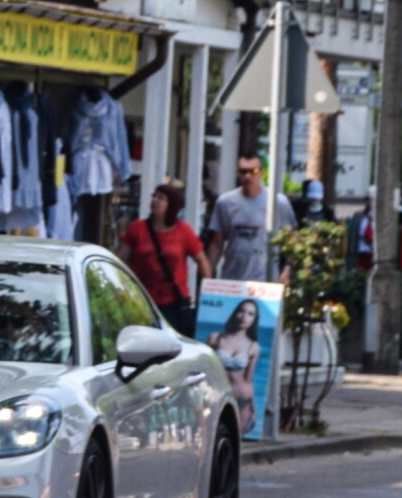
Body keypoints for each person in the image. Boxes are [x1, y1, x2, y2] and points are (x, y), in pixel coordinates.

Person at [117, 183, 208, 336]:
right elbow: (120, 259)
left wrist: (204, 294)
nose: (155, 201)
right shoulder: (137, 228)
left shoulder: (183, 231)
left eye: (162, 198)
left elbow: (202, 260)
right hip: (141, 298)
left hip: (173, 304)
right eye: (154, 196)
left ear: (171, 205)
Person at [205, 154, 296, 283]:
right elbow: (216, 242)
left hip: (266, 281)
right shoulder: (225, 202)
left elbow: (292, 240)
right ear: (238, 173)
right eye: (243, 171)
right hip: (232, 279)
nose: (248, 176)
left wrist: (287, 270)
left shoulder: (278, 202)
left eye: (254, 171)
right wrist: (208, 276)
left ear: (262, 173)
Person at [208, 297, 263, 436]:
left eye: (250, 314)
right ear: (235, 313)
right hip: (217, 396)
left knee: (235, 441)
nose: (244, 317)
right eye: (241, 311)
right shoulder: (215, 338)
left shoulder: (253, 347)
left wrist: (253, 407)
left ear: (254, 320)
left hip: (242, 399)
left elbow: (248, 380)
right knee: (212, 438)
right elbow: (205, 368)